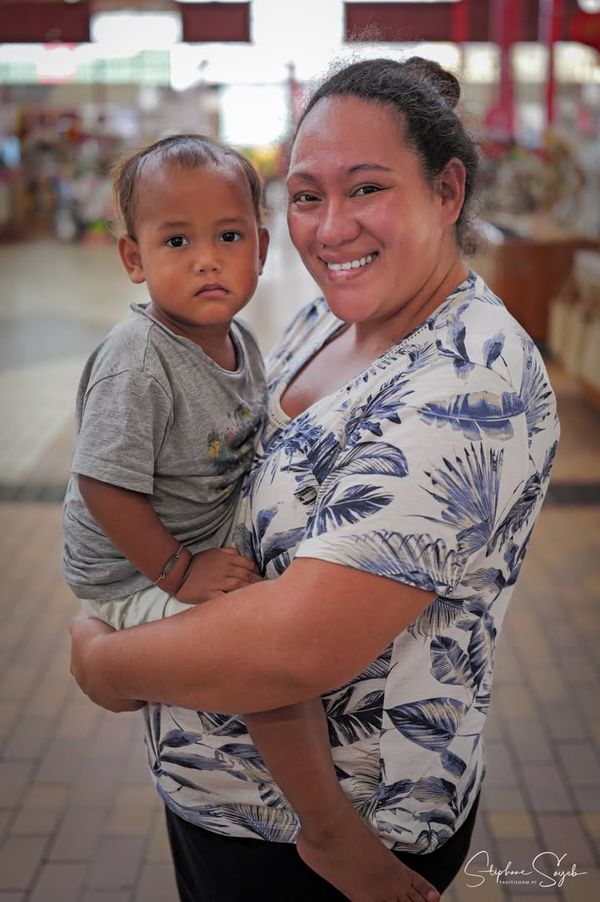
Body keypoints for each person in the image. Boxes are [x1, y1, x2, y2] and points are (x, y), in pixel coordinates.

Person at [69, 57, 560, 902]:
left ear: (448, 191)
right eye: (305, 196)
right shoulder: (334, 317)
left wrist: (106, 663)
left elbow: (296, 648)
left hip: (336, 833)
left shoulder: (469, 387)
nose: (331, 230)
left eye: (366, 188)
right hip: (220, 799)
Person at [63, 132, 439, 902]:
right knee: (266, 666)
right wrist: (180, 571)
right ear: (134, 258)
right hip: (131, 563)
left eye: (228, 236)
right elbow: (103, 484)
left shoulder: (237, 339)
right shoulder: (140, 358)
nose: (207, 259)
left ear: (260, 248)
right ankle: (328, 832)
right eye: (177, 240)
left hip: (192, 536)